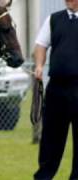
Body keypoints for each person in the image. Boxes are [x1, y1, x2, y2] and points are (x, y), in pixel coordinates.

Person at [33, 0, 78, 179]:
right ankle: (44, 175)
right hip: (57, 87)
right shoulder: (53, 19)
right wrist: (38, 65)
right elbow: (41, 45)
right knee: (51, 136)